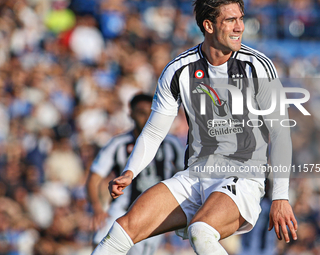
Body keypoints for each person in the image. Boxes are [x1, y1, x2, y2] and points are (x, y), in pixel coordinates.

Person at [92, 0, 298, 254]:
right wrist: (130, 171)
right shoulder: (178, 71)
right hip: (195, 176)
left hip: (243, 177)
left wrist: (280, 196)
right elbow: (155, 130)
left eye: (240, 18)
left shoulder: (257, 66)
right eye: (230, 20)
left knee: (201, 230)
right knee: (121, 230)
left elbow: (280, 131)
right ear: (208, 25)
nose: (239, 27)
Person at [86, 94, 184, 254]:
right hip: (123, 208)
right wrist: (97, 208)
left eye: (150, 113)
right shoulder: (118, 143)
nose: (146, 117)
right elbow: (94, 177)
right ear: (130, 114)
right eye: (141, 112)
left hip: (154, 212)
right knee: (100, 243)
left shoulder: (171, 143)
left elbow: (184, 173)